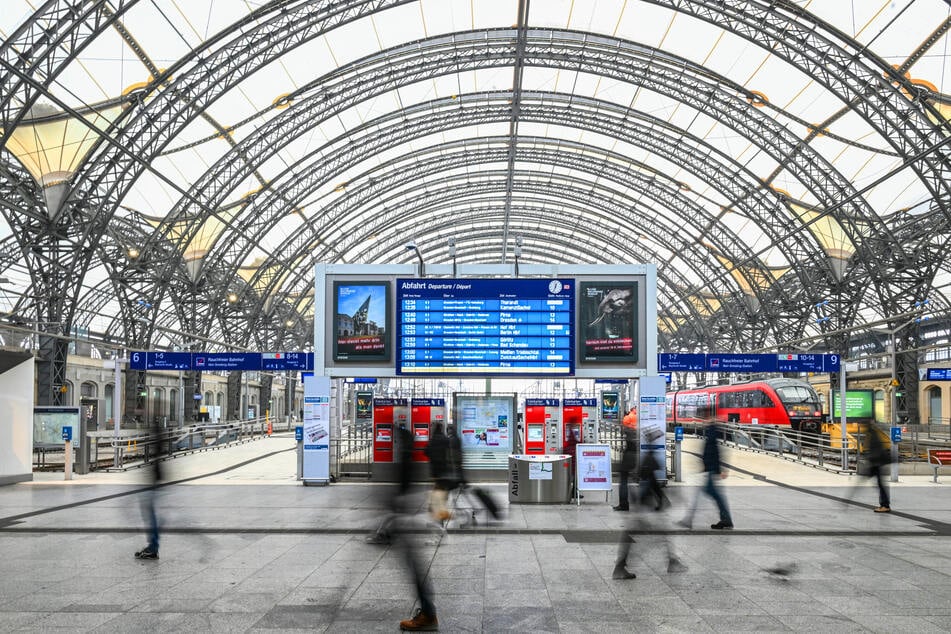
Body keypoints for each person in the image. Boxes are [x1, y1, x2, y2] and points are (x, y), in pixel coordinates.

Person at [390, 422, 439, 631]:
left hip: (405, 521)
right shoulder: (409, 456)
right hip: (405, 518)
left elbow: (402, 489)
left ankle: (428, 614)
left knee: (416, 568)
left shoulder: (405, 459)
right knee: (415, 567)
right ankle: (427, 612)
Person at [614, 447, 686, 579]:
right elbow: (651, 483)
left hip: (643, 507)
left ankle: (621, 566)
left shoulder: (640, 459)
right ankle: (672, 561)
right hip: (645, 508)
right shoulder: (644, 462)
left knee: (640, 535)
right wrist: (662, 500)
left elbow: (648, 482)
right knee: (662, 532)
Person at [679, 422, 733, 530]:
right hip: (710, 469)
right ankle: (689, 519)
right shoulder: (711, 430)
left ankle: (689, 520)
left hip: (711, 469)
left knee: (708, 494)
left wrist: (719, 469)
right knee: (710, 494)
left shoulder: (712, 430)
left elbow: (715, 451)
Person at [135, 422, 164, 559]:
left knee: (150, 512)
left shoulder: (157, 434)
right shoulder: (159, 434)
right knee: (150, 511)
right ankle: (153, 545)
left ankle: (153, 547)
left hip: (155, 480)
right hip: (155, 480)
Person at [860, 421, 892, 513]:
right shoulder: (872, 434)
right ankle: (885, 504)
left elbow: (876, 450)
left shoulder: (872, 435)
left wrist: (871, 461)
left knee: (880, 485)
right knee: (880, 484)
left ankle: (885, 505)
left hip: (877, 464)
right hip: (877, 463)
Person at [424, 423, 452, 522]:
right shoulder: (445, 439)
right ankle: (439, 506)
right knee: (442, 488)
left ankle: (433, 504)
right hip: (444, 468)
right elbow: (450, 453)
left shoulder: (432, 440)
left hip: (435, 469)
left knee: (437, 486)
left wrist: (433, 457)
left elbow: (425, 452)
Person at [613, 426, 637, 511]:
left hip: (627, 461)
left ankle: (624, 504)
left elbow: (626, 431)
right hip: (630, 460)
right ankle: (625, 503)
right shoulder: (634, 438)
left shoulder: (630, 437)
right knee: (625, 482)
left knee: (623, 483)